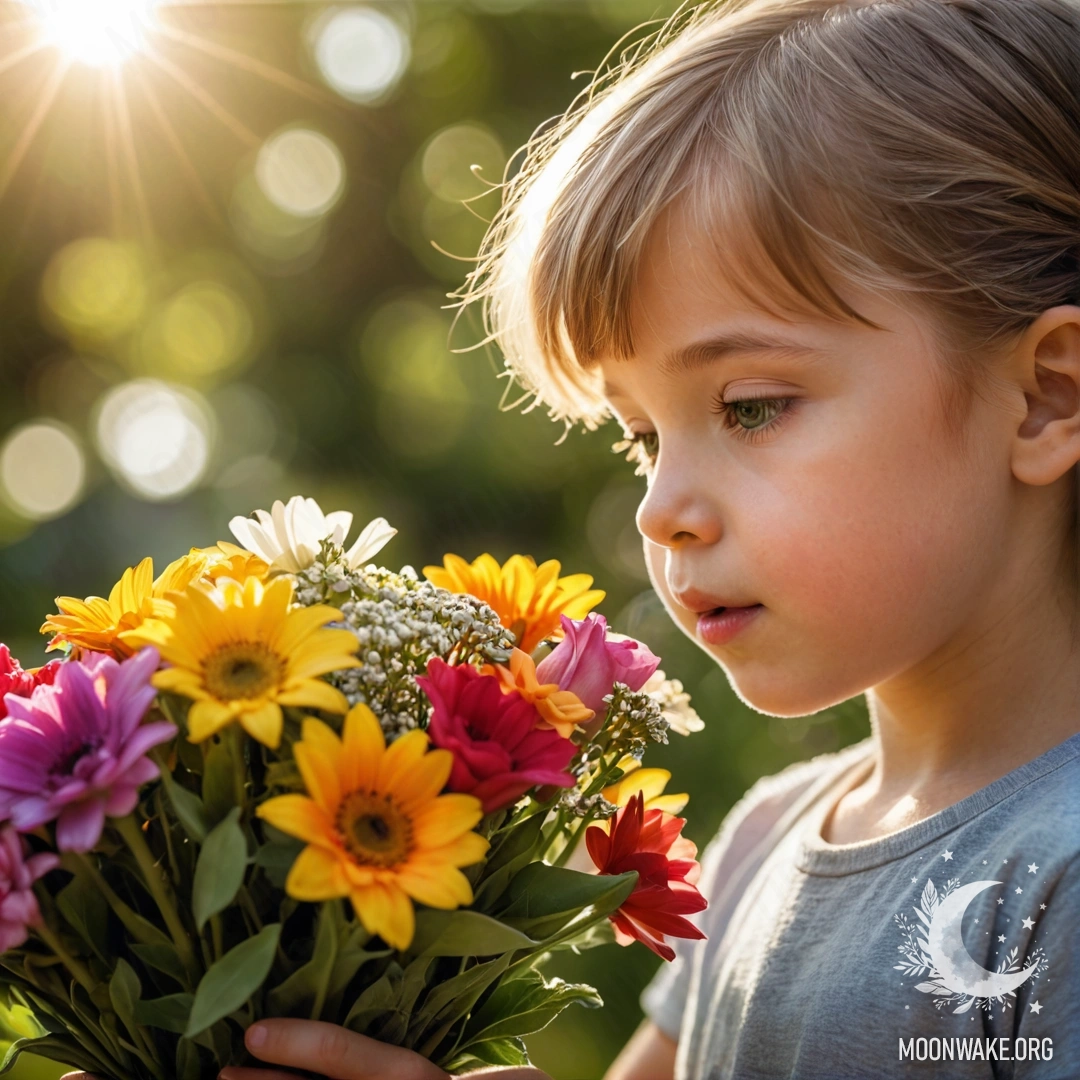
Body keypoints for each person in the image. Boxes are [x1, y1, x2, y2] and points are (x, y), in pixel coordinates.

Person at [65, 0, 1080, 1076]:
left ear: (1044, 399)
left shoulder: (1057, 875)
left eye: (749, 405)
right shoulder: (763, 840)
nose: (660, 507)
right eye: (640, 436)